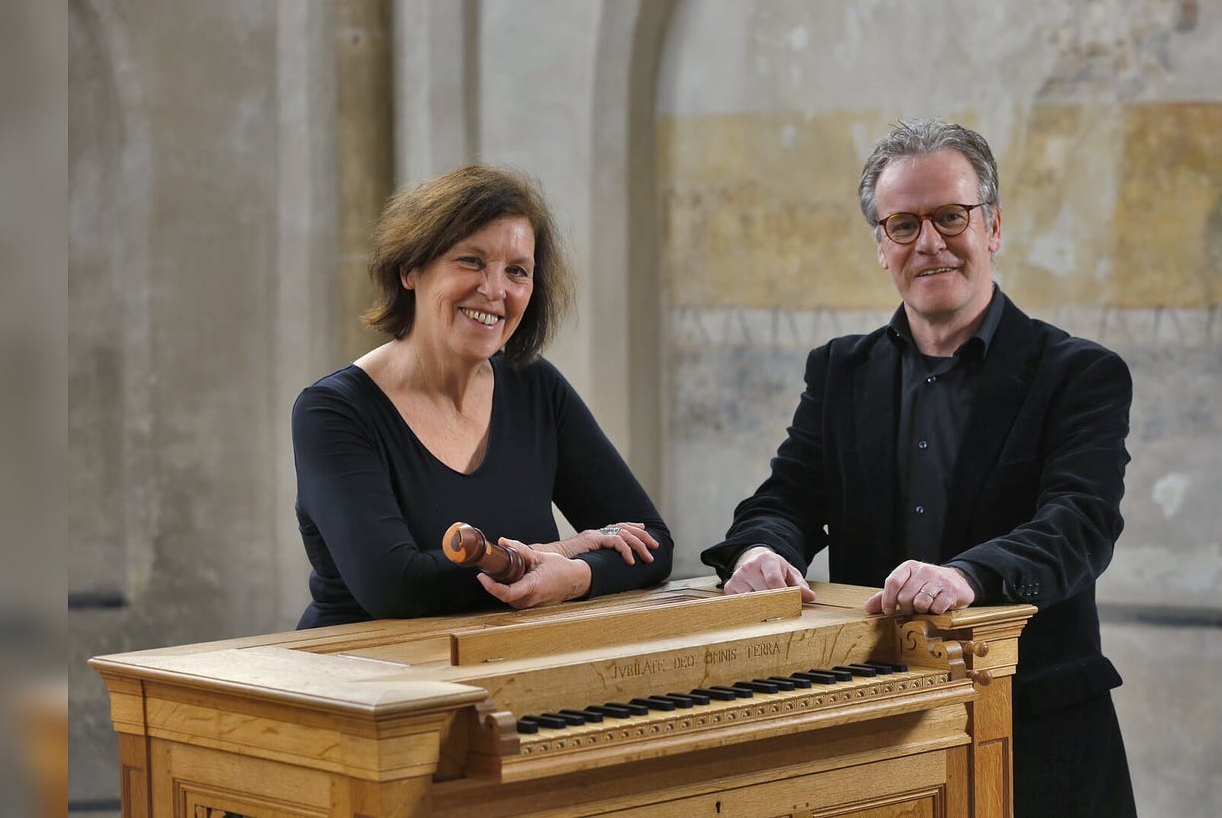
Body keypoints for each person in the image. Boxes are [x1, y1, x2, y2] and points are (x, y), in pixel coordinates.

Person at [700, 119, 1135, 817]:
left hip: (1040, 739)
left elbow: (1078, 525)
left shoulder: (1080, 374)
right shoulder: (841, 370)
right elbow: (783, 498)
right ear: (881, 246)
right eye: (902, 224)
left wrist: (965, 576)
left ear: (992, 226)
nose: (928, 243)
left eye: (949, 217)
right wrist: (760, 551)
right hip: (882, 734)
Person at [293, 164, 673, 629]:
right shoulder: (332, 412)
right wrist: (562, 550)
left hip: (505, 667)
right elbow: (397, 587)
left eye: (517, 271)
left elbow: (652, 545)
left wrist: (574, 577)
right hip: (364, 677)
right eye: (471, 261)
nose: (495, 290)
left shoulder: (535, 387)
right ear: (411, 269)